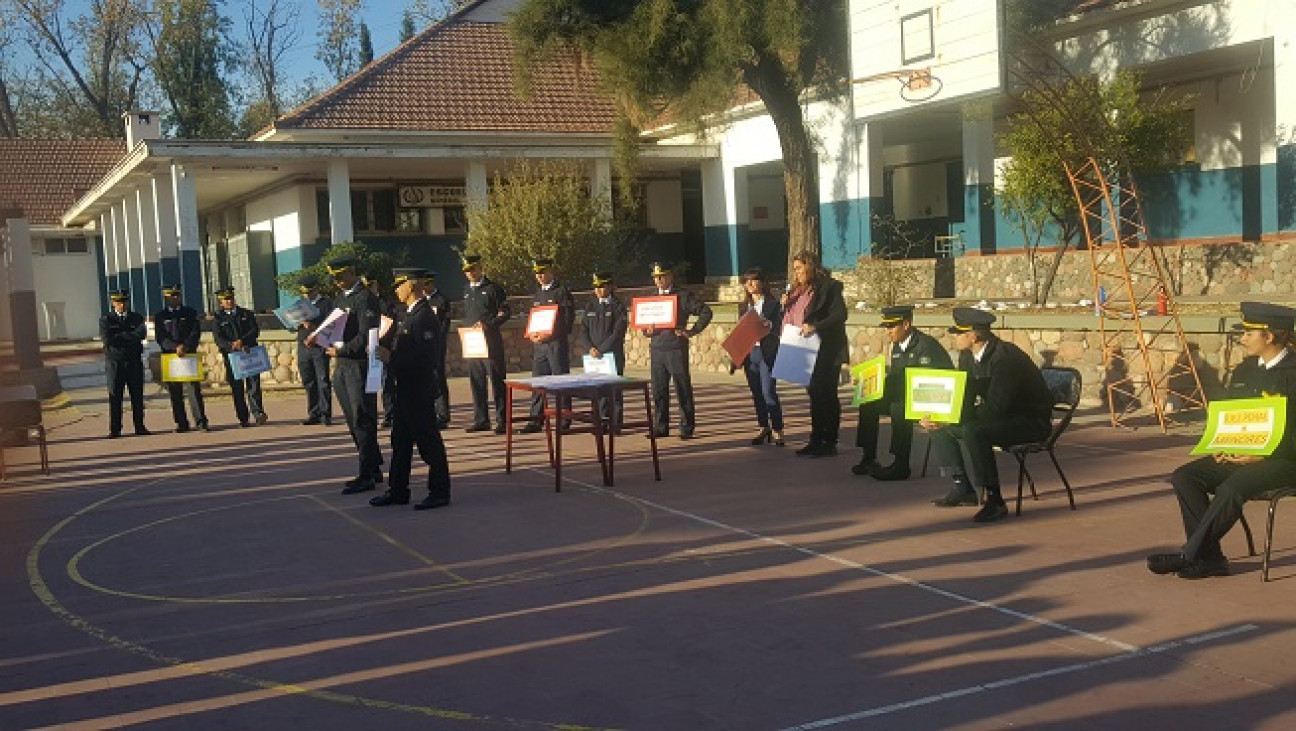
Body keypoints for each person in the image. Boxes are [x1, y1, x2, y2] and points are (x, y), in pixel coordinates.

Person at [1147, 302, 1296, 579]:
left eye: (1249, 334)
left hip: (1286, 460)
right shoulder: (1246, 371)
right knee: (1185, 477)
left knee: (1231, 487)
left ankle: (1189, 555)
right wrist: (1224, 445)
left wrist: (1264, 456)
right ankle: (1211, 559)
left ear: (1270, 336)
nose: (1242, 339)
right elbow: (1234, 417)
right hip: (1246, 454)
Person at [921, 307, 1053, 523]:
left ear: (973, 336)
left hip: (1030, 421)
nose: (952, 336)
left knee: (974, 431)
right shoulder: (967, 356)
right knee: (939, 427)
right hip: (1004, 416)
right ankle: (962, 488)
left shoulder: (1006, 359)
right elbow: (964, 393)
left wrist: (955, 418)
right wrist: (941, 415)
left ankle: (995, 501)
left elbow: (996, 407)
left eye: (957, 332)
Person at [370, 269, 452, 511]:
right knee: (401, 441)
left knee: (428, 442)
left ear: (412, 285)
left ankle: (439, 491)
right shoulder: (409, 314)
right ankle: (398, 490)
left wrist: (391, 357)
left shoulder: (424, 316)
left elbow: (427, 359)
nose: (396, 289)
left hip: (418, 389)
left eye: (400, 285)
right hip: (404, 389)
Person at [308, 255, 385, 494]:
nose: (338, 282)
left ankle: (366, 474)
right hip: (341, 365)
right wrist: (318, 337)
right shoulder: (341, 298)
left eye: (341, 277)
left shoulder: (365, 299)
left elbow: (367, 335)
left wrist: (342, 348)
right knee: (353, 420)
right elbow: (333, 325)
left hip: (359, 365)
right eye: (335, 278)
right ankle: (373, 466)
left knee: (363, 418)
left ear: (352, 273)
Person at [852, 305, 952, 479]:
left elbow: (936, 382)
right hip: (909, 397)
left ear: (906, 325)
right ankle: (868, 457)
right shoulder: (897, 346)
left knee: (899, 409)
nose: (888, 331)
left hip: (931, 400)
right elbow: (898, 379)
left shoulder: (926, 346)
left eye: (892, 327)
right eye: (887, 327)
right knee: (868, 401)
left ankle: (901, 465)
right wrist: (872, 384)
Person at [785, 254, 848, 457]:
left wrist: (816, 326)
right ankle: (816, 438)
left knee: (826, 394)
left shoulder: (830, 287)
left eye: (800, 268)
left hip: (827, 350)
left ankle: (829, 442)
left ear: (810, 267)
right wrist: (786, 304)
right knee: (814, 395)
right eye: (794, 269)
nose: (797, 272)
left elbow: (840, 315)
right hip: (804, 350)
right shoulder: (797, 292)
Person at [641, 261, 712, 439]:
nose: (659, 280)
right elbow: (644, 323)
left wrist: (692, 331)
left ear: (671, 276)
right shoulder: (650, 297)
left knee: (682, 389)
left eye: (662, 276)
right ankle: (660, 426)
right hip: (657, 348)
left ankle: (687, 427)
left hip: (675, 348)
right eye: (656, 277)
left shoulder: (683, 295)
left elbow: (705, 311)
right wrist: (646, 331)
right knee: (658, 390)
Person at [520, 257, 576, 434]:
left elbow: (567, 321)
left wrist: (550, 333)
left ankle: (565, 417)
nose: (540, 276)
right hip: (540, 346)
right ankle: (536, 419)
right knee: (538, 382)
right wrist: (533, 334)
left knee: (561, 381)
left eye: (543, 272)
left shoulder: (561, 292)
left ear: (551, 271)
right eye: (537, 273)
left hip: (555, 344)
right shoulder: (538, 294)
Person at [461, 253, 512, 435]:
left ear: (481, 267)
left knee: (497, 381)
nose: (470, 273)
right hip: (473, 343)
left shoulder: (493, 288)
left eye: (473, 269)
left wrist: (488, 325)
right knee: (477, 382)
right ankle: (481, 419)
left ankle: (502, 420)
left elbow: (505, 313)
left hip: (491, 342)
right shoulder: (467, 290)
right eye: (467, 270)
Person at [736, 268, 785, 447]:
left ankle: (778, 430)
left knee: (768, 392)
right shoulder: (743, 306)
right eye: (746, 281)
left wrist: (769, 324)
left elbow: (780, 325)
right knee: (756, 393)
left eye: (753, 280)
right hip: (750, 354)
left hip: (767, 353)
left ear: (763, 283)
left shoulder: (773, 304)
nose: (749, 284)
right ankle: (763, 427)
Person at [154, 283, 209, 433]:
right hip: (171, 357)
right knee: (175, 392)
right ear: (166, 297)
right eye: (171, 296)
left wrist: (185, 346)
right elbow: (161, 337)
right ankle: (181, 423)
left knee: (193, 390)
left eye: (177, 295)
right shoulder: (160, 316)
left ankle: (201, 421)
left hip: (188, 354)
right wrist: (174, 347)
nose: (175, 298)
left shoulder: (190, 313)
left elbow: (195, 332)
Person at [212, 286, 268, 427]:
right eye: (226, 299)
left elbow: (254, 331)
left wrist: (243, 341)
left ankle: (258, 413)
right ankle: (243, 418)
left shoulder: (246, 314)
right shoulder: (218, 318)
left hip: (249, 352)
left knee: (253, 385)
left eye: (230, 298)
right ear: (221, 302)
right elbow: (219, 339)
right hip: (232, 356)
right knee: (237, 388)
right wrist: (232, 345)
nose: (229, 301)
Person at [100, 288, 150, 438]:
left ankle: (139, 426)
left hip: (134, 361)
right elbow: (108, 340)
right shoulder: (106, 320)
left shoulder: (136, 318)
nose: (122, 305)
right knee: (115, 396)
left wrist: (121, 336)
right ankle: (115, 429)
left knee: (137, 395)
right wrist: (129, 336)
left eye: (124, 301)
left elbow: (141, 334)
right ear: (113, 303)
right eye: (118, 302)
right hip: (115, 363)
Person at [582, 270, 629, 428]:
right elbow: (583, 330)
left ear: (609, 287)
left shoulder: (617, 306)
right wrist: (590, 348)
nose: (598, 290)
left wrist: (601, 349)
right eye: (596, 287)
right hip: (594, 356)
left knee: (614, 391)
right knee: (598, 391)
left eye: (601, 287)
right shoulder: (590, 305)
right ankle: (600, 423)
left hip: (612, 355)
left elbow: (618, 332)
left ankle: (615, 424)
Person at [295, 275, 334, 426]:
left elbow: (331, 325)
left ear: (316, 289)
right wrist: (296, 324)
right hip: (303, 347)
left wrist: (314, 328)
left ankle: (325, 413)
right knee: (308, 381)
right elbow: (291, 326)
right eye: (304, 293)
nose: (306, 296)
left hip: (319, 347)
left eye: (309, 292)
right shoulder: (300, 305)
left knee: (322, 380)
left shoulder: (325, 304)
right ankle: (314, 413)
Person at [365, 272, 399, 429]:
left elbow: (391, 324)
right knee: (369, 385)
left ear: (376, 285)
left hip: (383, 346)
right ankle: (370, 415)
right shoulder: (363, 302)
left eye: (370, 285)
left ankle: (389, 414)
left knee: (387, 383)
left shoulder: (385, 303)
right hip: (366, 348)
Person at [421, 272, 453, 430]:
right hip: (424, 345)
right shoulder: (422, 302)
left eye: (425, 285)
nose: (423, 288)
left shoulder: (440, 300)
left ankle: (443, 414)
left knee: (438, 378)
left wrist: (436, 340)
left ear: (431, 284)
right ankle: (431, 412)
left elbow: (445, 324)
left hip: (437, 345)